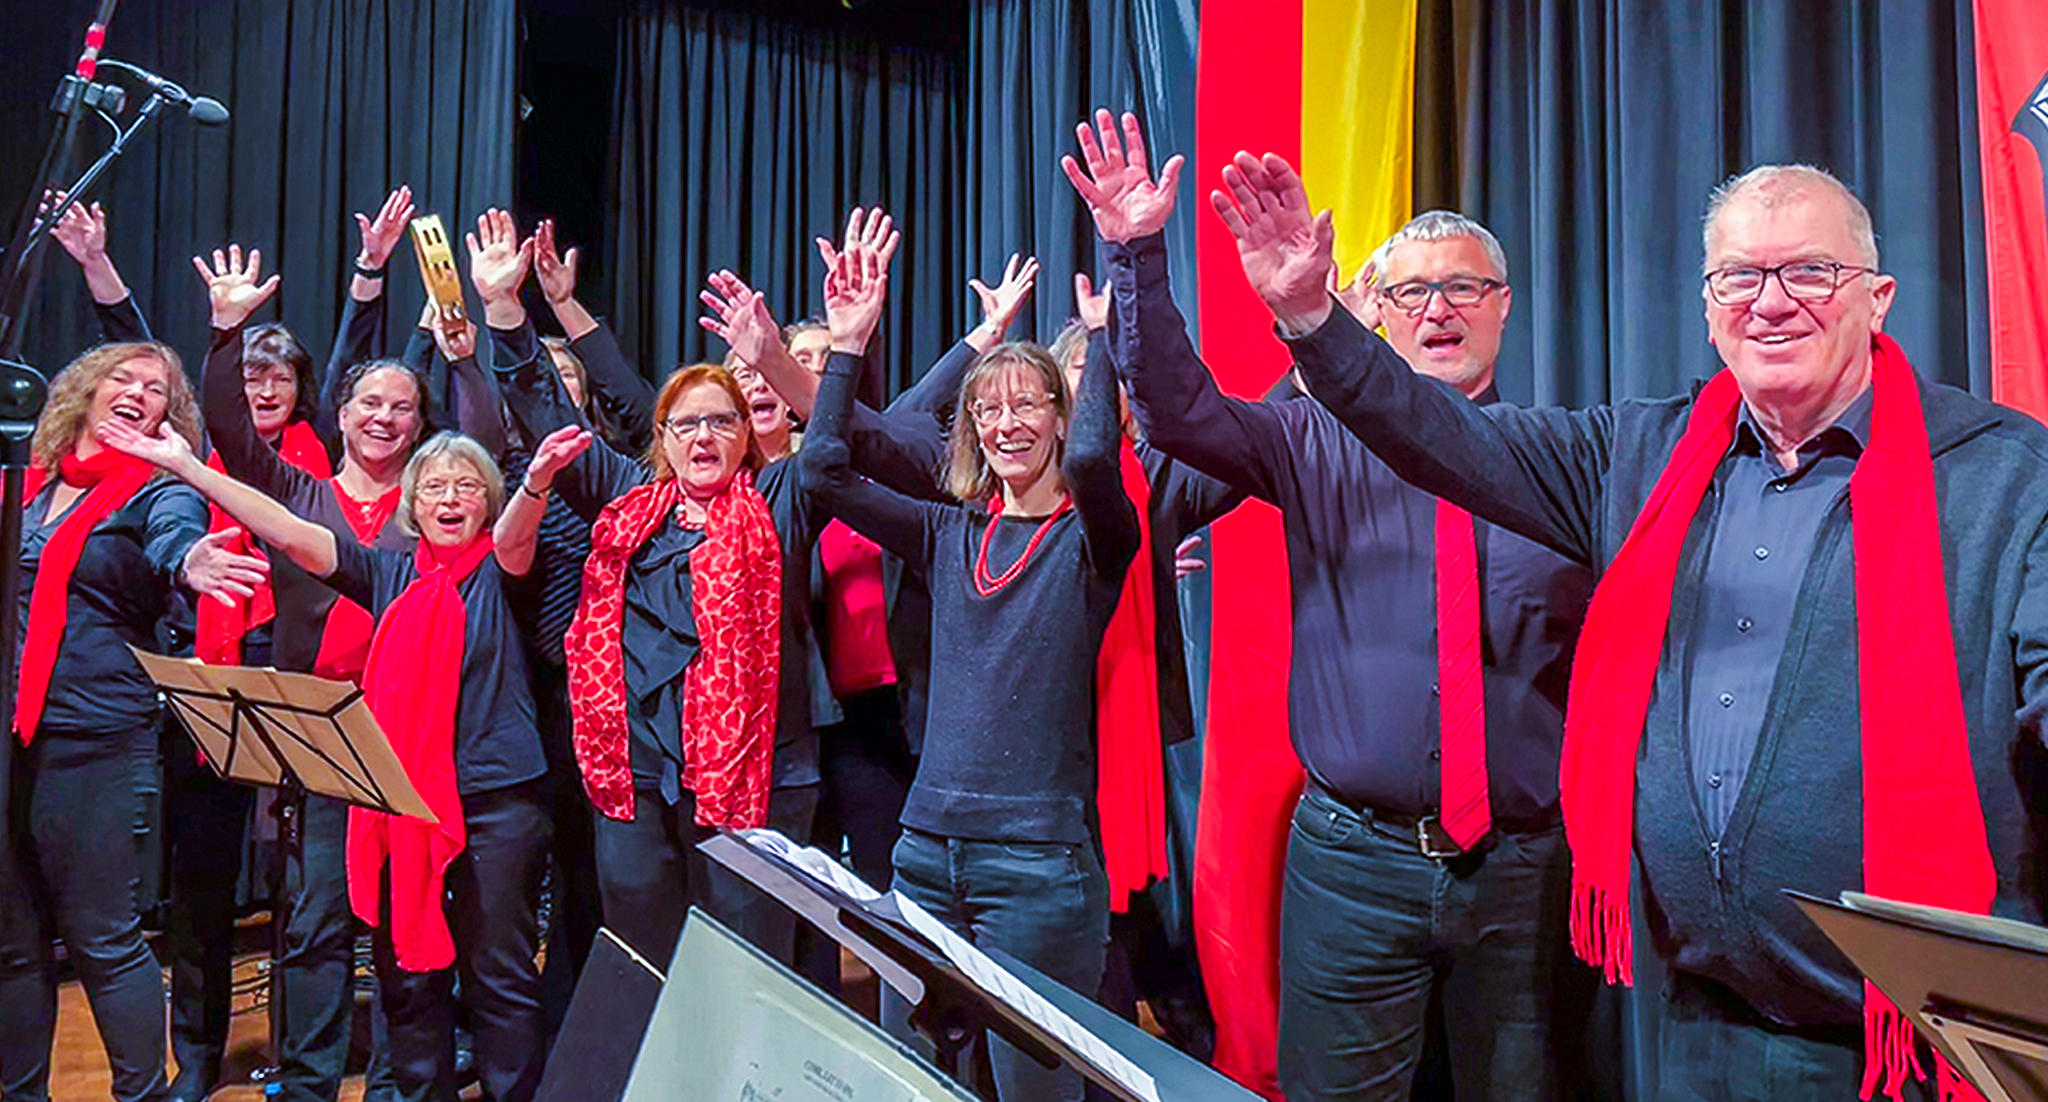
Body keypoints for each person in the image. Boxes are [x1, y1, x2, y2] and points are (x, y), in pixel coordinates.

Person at [1201, 135, 2048, 1101]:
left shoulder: (2004, 476)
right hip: (1687, 1019)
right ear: (1708, 306)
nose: (1772, 301)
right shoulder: (1638, 456)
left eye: (1810, 271)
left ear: (1878, 296)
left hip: (1906, 1044)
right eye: (1740, 277)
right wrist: (1312, 317)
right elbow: (1438, 431)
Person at [1065, 111, 1598, 1101]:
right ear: (1374, 311)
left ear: (1503, 307)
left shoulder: (1567, 462)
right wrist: (1136, 254)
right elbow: (1177, 411)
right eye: (1410, 289)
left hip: (1525, 872)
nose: (1438, 307)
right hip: (1352, 865)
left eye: (1463, 287)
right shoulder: (1306, 438)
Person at [100, 412, 564, 1102]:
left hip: (496, 805)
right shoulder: (387, 573)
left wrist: (536, 482)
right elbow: (289, 532)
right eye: (434, 485)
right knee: (406, 978)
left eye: (467, 486)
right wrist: (191, 469)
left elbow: (521, 529)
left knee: (498, 978)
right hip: (399, 802)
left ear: (487, 503)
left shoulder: (503, 569)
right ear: (413, 502)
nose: (449, 498)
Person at [797, 208, 1139, 1102]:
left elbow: (1100, 461)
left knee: (1036, 1093)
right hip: (922, 856)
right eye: (986, 408)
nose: (1004, 421)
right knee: (913, 1086)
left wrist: (1101, 344)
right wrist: (848, 344)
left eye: (1027, 403)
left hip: (1036, 870)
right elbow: (822, 473)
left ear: (1060, 421)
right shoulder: (946, 532)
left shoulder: (1094, 541)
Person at [193, 215, 499, 1102]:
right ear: (346, 410)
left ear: (418, 422)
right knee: (319, 920)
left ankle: (407, 1085)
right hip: (321, 737)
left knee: (412, 923)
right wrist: (225, 332)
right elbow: (229, 430)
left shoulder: (440, 506)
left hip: (420, 738)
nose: (386, 417)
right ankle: (310, 1081)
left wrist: (468, 351)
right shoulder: (302, 489)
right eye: (371, 402)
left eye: (404, 405)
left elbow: (488, 443)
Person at [480, 208, 821, 972]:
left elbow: (831, 434)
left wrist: (774, 357)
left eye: (721, 422)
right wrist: (506, 309)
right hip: (631, 774)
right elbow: (546, 411)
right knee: (644, 958)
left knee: (743, 964)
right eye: (685, 424)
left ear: (746, 433)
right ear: (662, 438)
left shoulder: (782, 500)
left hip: (749, 780)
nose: (703, 438)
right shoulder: (627, 496)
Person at [0, 339, 261, 1102]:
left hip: (96, 744)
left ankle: (142, 1096)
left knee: (105, 941)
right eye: (125, 378)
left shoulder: (155, 492)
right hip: (13, 742)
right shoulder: (28, 483)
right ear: (82, 390)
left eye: (156, 390)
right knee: (14, 945)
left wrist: (189, 563)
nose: (141, 393)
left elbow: (173, 538)